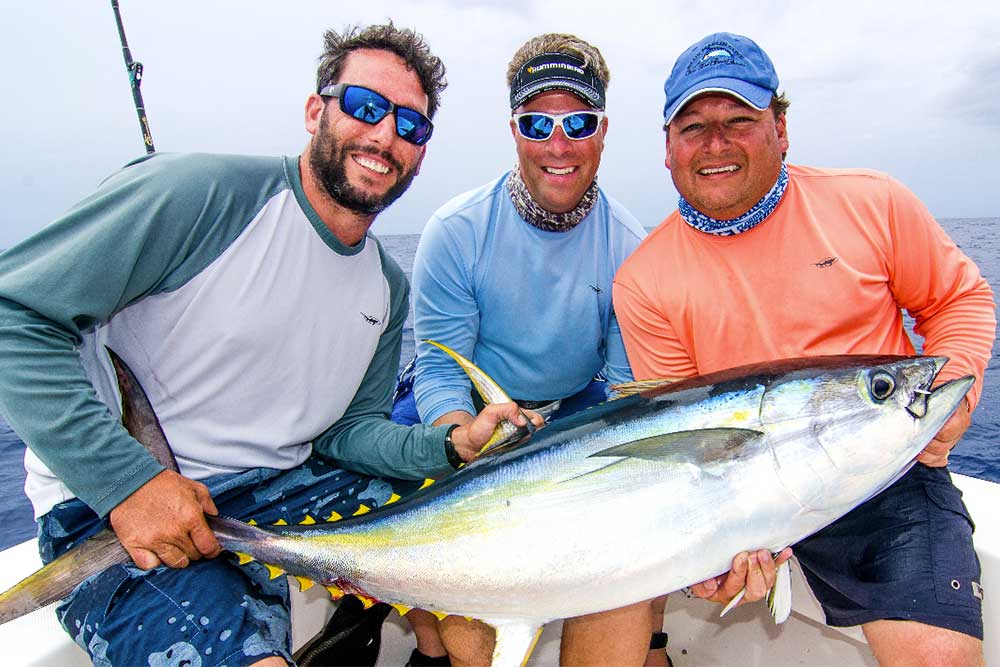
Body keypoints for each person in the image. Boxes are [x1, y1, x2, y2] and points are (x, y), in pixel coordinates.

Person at [0, 23, 540, 667]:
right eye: (365, 106)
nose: (385, 135)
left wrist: (451, 445)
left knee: (476, 572)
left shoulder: (386, 288)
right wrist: (128, 484)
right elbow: (15, 314)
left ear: (422, 153)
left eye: (411, 125)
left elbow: (348, 432)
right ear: (317, 111)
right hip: (110, 506)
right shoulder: (198, 195)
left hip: (283, 488)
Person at [613, 31, 996, 667]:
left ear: (781, 128)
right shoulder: (645, 281)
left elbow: (958, 300)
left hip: (888, 481)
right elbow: (679, 440)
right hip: (748, 496)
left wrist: (955, 388)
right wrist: (704, 555)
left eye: (740, 120)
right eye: (694, 127)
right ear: (668, 147)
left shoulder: (873, 203)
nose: (716, 145)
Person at [389, 32, 671, 667]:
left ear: (602, 130)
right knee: (462, 632)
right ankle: (429, 643)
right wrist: (467, 434)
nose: (558, 144)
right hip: (462, 407)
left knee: (636, 539)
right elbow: (438, 370)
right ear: (514, 130)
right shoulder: (456, 231)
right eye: (537, 122)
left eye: (578, 122)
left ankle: (649, 640)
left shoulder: (631, 245)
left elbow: (628, 392)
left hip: (572, 407)